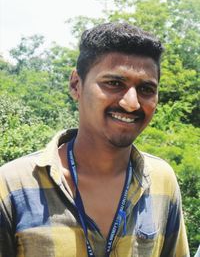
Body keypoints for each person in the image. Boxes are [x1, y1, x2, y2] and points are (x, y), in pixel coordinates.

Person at [0, 22, 190, 257]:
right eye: (114, 83)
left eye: (146, 89)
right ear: (76, 85)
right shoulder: (12, 185)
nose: (131, 103)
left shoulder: (162, 181)